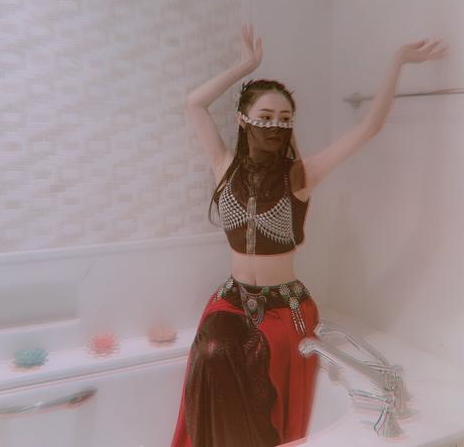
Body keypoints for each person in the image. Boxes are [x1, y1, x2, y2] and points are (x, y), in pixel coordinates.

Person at [170, 24, 448, 447]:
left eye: (285, 119)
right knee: (212, 354)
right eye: (265, 117)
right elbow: (194, 103)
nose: (275, 126)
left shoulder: (301, 175)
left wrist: (398, 63)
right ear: (243, 120)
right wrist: (245, 66)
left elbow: (369, 128)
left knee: (254, 382)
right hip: (231, 300)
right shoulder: (223, 165)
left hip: (285, 307)